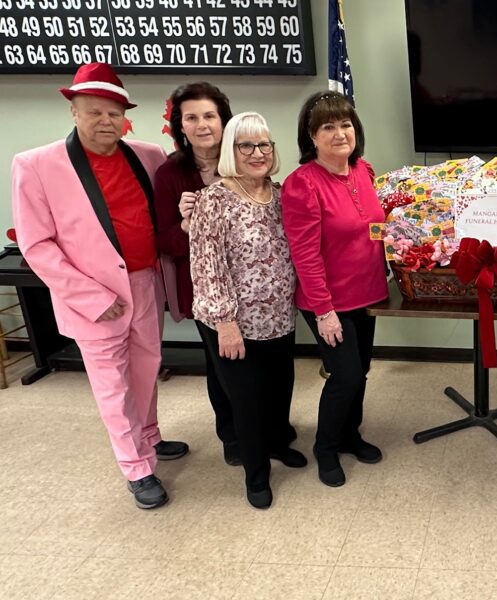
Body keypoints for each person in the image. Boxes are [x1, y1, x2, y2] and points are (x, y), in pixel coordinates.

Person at [10, 62, 188, 510]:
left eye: (114, 112)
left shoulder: (148, 155)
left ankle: (149, 437)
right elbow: (36, 244)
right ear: (73, 110)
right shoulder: (35, 165)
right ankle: (136, 468)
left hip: (146, 282)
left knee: (146, 369)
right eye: (94, 112)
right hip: (92, 298)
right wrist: (91, 295)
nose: (106, 121)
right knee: (113, 384)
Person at [189, 112, 303, 510]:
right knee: (247, 398)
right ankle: (256, 474)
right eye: (246, 145)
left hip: (277, 317)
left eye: (264, 145)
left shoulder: (280, 194)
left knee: (279, 386)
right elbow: (207, 265)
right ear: (230, 151)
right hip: (232, 322)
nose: (258, 153)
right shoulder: (214, 200)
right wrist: (225, 322)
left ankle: (276, 444)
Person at [281, 92, 389, 488]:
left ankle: (350, 436)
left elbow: (372, 227)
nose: (340, 133)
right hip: (328, 301)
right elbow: (304, 254)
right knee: (344, 376)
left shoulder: (365, 171)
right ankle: (325, 448)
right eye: (328, 126)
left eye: (345, 124)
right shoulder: (302, 185)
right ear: (311, 136)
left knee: (360, 371)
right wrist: (324, 312)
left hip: (368, 293)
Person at [153, 82, 242, 465]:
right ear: (180, 125)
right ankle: (233, 438)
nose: (202, 124)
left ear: (224, 120)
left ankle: (269, 428)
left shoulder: (243, 159)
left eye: (210, 115)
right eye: (192, 117)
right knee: (222, 366)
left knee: (258, 365)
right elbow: (165, 240)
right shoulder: (170, 174)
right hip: (204, 291)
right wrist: (189, 223)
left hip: (251, 284)